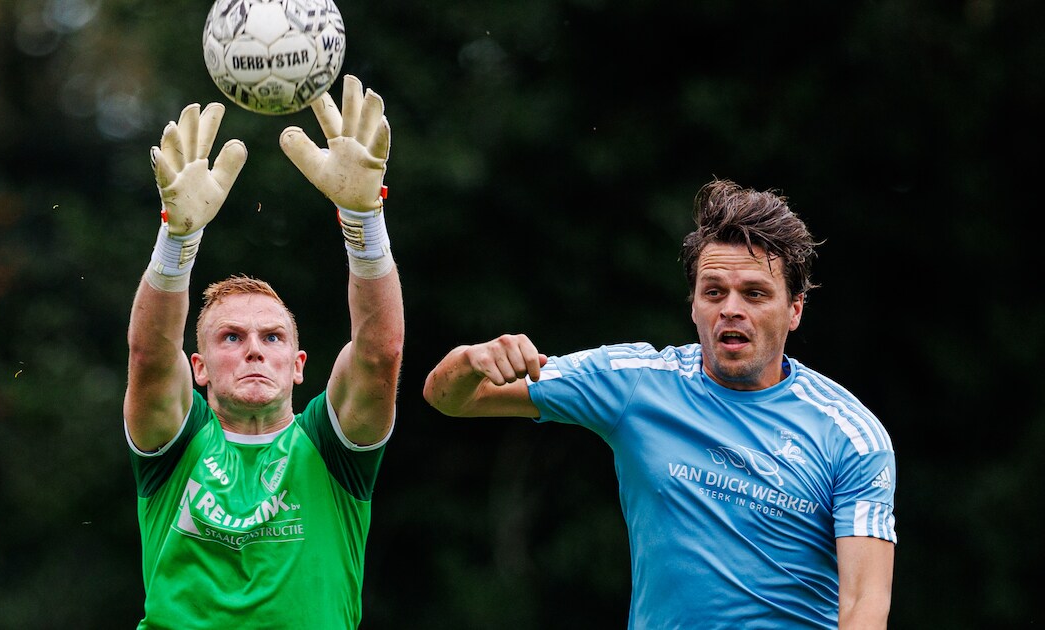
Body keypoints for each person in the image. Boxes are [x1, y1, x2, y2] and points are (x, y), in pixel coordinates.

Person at [423, 179, 896, 629]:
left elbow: (863, 605)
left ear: (794, 309)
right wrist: (471, 361)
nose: (731, 308)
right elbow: (449, 399)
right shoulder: (634, 384)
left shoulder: (849, 435)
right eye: (714, 292)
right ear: (693, 305)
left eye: (754, 293)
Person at [123, 75, 403, 629]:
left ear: (300, 367)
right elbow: (150, 358)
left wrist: (364, 220)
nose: (254, 350)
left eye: (272, 337)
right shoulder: (178, 445)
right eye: (231, 337)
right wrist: (177, 240)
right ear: (198, 368)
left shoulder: (330, 446)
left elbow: (379, 354)